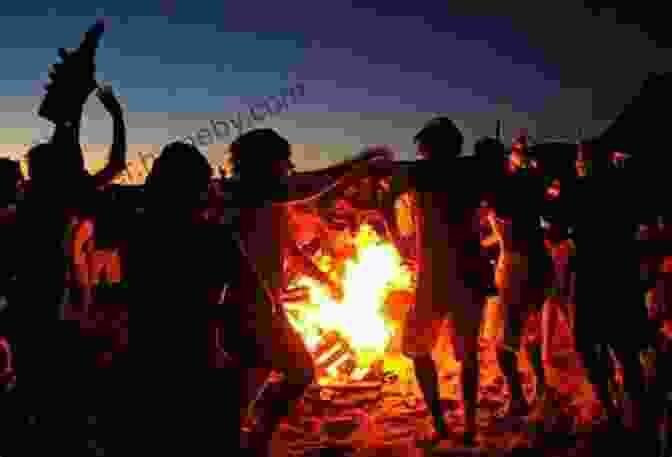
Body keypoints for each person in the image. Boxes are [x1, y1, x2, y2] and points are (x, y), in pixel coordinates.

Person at [216, 128, 389, 456]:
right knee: (286, 373)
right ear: (264, 162)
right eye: (283, 161)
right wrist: (357, 163)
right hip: (246, 308)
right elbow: (306, 187)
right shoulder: (247, 191)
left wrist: (325, 278)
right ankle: (248, 437)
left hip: (267, 309)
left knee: (276, 376)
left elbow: (289, 252)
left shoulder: (269, 198)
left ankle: (252, 437)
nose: (289, 167)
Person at [379, 117, 490, 447]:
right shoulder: (471, 172)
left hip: (437, 276)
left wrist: (397, 237)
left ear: (428, 147)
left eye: (423, 146)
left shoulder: (421, 172)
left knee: (414, 348)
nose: (421, 151)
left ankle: (441, 423)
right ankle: (468, 425)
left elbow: (385, 196)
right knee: (467, 353)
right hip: (469, 272)